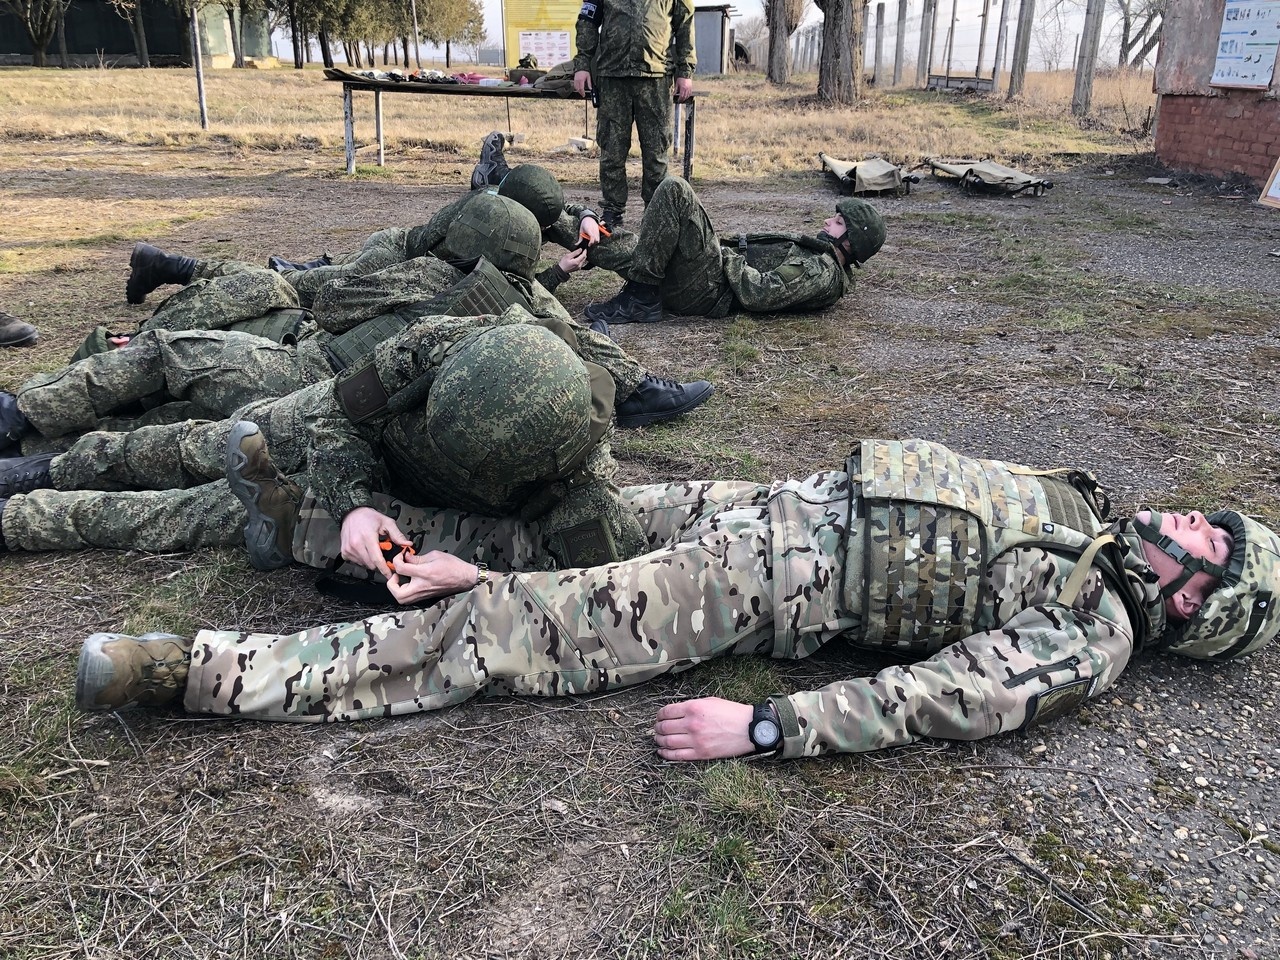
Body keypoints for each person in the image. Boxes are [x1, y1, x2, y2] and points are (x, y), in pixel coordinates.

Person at [71, 437, 1280, 763]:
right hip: (765, 502)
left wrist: (765, 726)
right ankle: (321, 534)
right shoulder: (1083, 508)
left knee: (508, 633)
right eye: (1199, 519)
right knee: (553, 533)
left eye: (1200, 546)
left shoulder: (1089, 634)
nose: (1183, 522)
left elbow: (942, 698)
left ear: (1191, 609)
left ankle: (201, 673)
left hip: (760, 584)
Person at [0, 307, 653, 571]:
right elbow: (334, 416)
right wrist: (354, 499)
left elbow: (580, 595)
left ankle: (26, 518)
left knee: (203, 514)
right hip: (354, 441)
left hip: (411, 514)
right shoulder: (436, 344)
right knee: (209, 443)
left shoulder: (584, 493)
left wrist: (381, 526)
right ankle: (55, 467)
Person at [124, 163, 612, 308]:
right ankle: (171, 266)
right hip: (391, 265)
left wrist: (586, 214)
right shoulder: (487, 221)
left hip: (396, 250)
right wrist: (557, 273)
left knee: (304, 281)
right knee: (288, 293)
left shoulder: (499, 203)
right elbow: (496, 289)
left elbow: (554, 211)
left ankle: (306, 267)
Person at [563, 178, 886, 324]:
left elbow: (759, 292)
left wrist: (719, 253)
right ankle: (547, 214)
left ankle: (639, 297)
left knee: (676, 191)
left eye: (839, 222)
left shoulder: (820, 271)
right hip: (705, 277)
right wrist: (585, 213)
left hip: (710, 288)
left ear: (851, 241)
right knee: (599, 238)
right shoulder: (821, 260)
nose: (829, 221)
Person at [572, 0, 696, 230]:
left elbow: (685, 22)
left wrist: (685, 70)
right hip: (612, 76)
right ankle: (612, 211)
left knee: (656, 152)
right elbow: (588, 21)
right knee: (612, 150)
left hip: (655, 77)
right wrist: (581, 64)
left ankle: (656, 213)